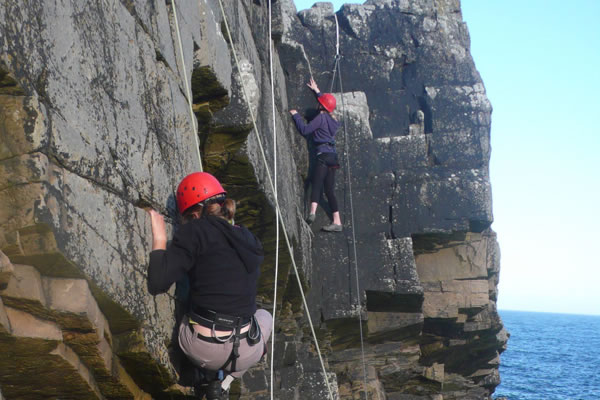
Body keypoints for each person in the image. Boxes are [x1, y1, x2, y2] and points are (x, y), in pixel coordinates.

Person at [146, 172, 272, 399]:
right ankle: (223, 383)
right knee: (265, 318)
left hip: (202, 349)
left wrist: (159, 239)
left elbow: (157, 283)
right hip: (243, 353)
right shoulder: (249, 238)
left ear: (194, 214)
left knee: (188, 297)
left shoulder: (194, 231)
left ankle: (203, 375)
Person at [289, 78, 342, 232]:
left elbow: (305, 130)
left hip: (322, 154)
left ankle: (312, 213)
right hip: (333, 156)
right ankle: (337, 222)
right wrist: (316, 91)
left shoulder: (320, 118)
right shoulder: (334, 121)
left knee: (317, 182)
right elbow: (326, 104)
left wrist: (296, 115)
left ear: (320, 106)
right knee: (330, 190)